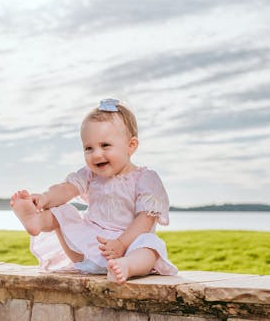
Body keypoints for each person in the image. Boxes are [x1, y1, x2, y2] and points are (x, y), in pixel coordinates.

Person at [10, 98, 177, 284]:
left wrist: (122, 244)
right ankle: (35, 220)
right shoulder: (90, 174)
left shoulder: (145, 178)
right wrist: (44, 198)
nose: (96, 154)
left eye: (105, 145)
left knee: (149, 245)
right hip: (89, 247)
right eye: (89, 148)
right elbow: (66, 189)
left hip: (127, 247)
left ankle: (127, 267)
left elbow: (145, 219)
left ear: (131, 146)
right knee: (62, 209)